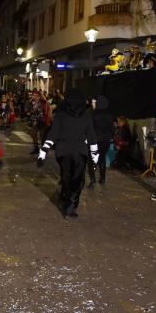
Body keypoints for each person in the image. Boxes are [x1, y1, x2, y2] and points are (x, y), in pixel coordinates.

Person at [37, 88, 98, 219]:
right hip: (80, 153)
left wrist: (43, 153)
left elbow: (52, 136)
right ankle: (70, 207)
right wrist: (95, 158)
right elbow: (92, 139)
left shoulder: (60, 116)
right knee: (78, 181)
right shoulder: (86, 118)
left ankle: (64, 198)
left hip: (63, 152)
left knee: (66, 177)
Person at [88, 95, 114, 186]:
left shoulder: (94, 114)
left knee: (92, 160)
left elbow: (90, 128)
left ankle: (92, 179)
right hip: (106, 141)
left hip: (96, 140)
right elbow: (112, 128)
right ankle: (102, 179)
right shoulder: (109, 115)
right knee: (102, 159)